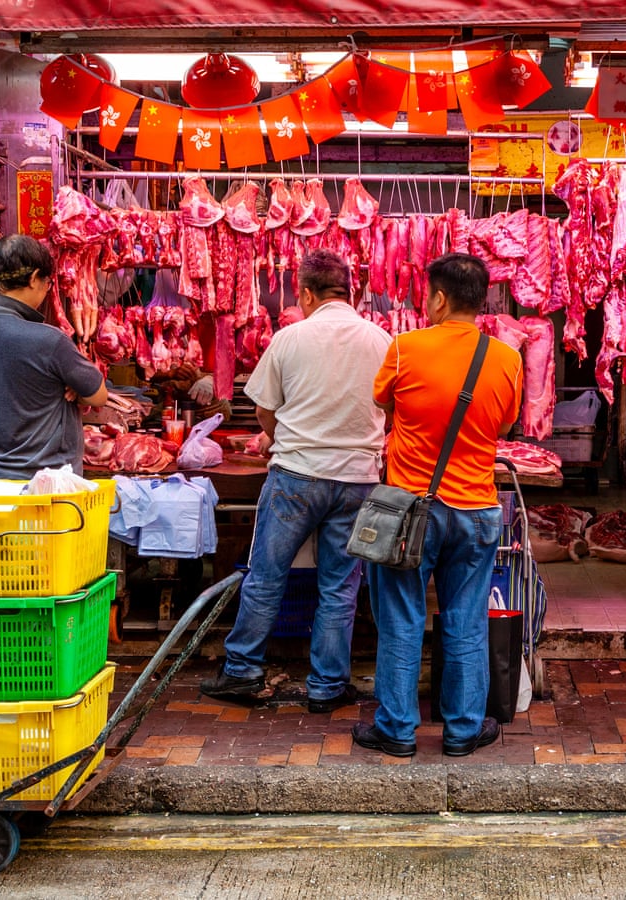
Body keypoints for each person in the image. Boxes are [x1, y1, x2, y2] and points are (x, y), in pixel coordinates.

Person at [201, 250, 392, 713]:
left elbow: (264, 407)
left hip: (296, 476)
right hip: (357, 480)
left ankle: (243, 672)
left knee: (267, 577)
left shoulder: (290, 338)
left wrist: (280, 433)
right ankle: (327, 687)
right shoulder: (383, 340)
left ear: (306, 293)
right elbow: (391, 409)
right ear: (350, 290)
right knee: (339, 586)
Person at [353, 253, 522, 758]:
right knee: (465, 621)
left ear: (440, 298)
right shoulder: (507, 358)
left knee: (401, 619)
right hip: (476, 509)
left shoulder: (405, 349)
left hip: (410, 511)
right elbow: (505, 426)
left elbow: (384, 403)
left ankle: (398, 730)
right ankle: (463, 730)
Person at [0, 234, 107, 479]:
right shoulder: (49, 341)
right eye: (47, 283)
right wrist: (73, 387)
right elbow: (98, 395)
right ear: (33, 279)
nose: (46, 291)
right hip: (47, 487)